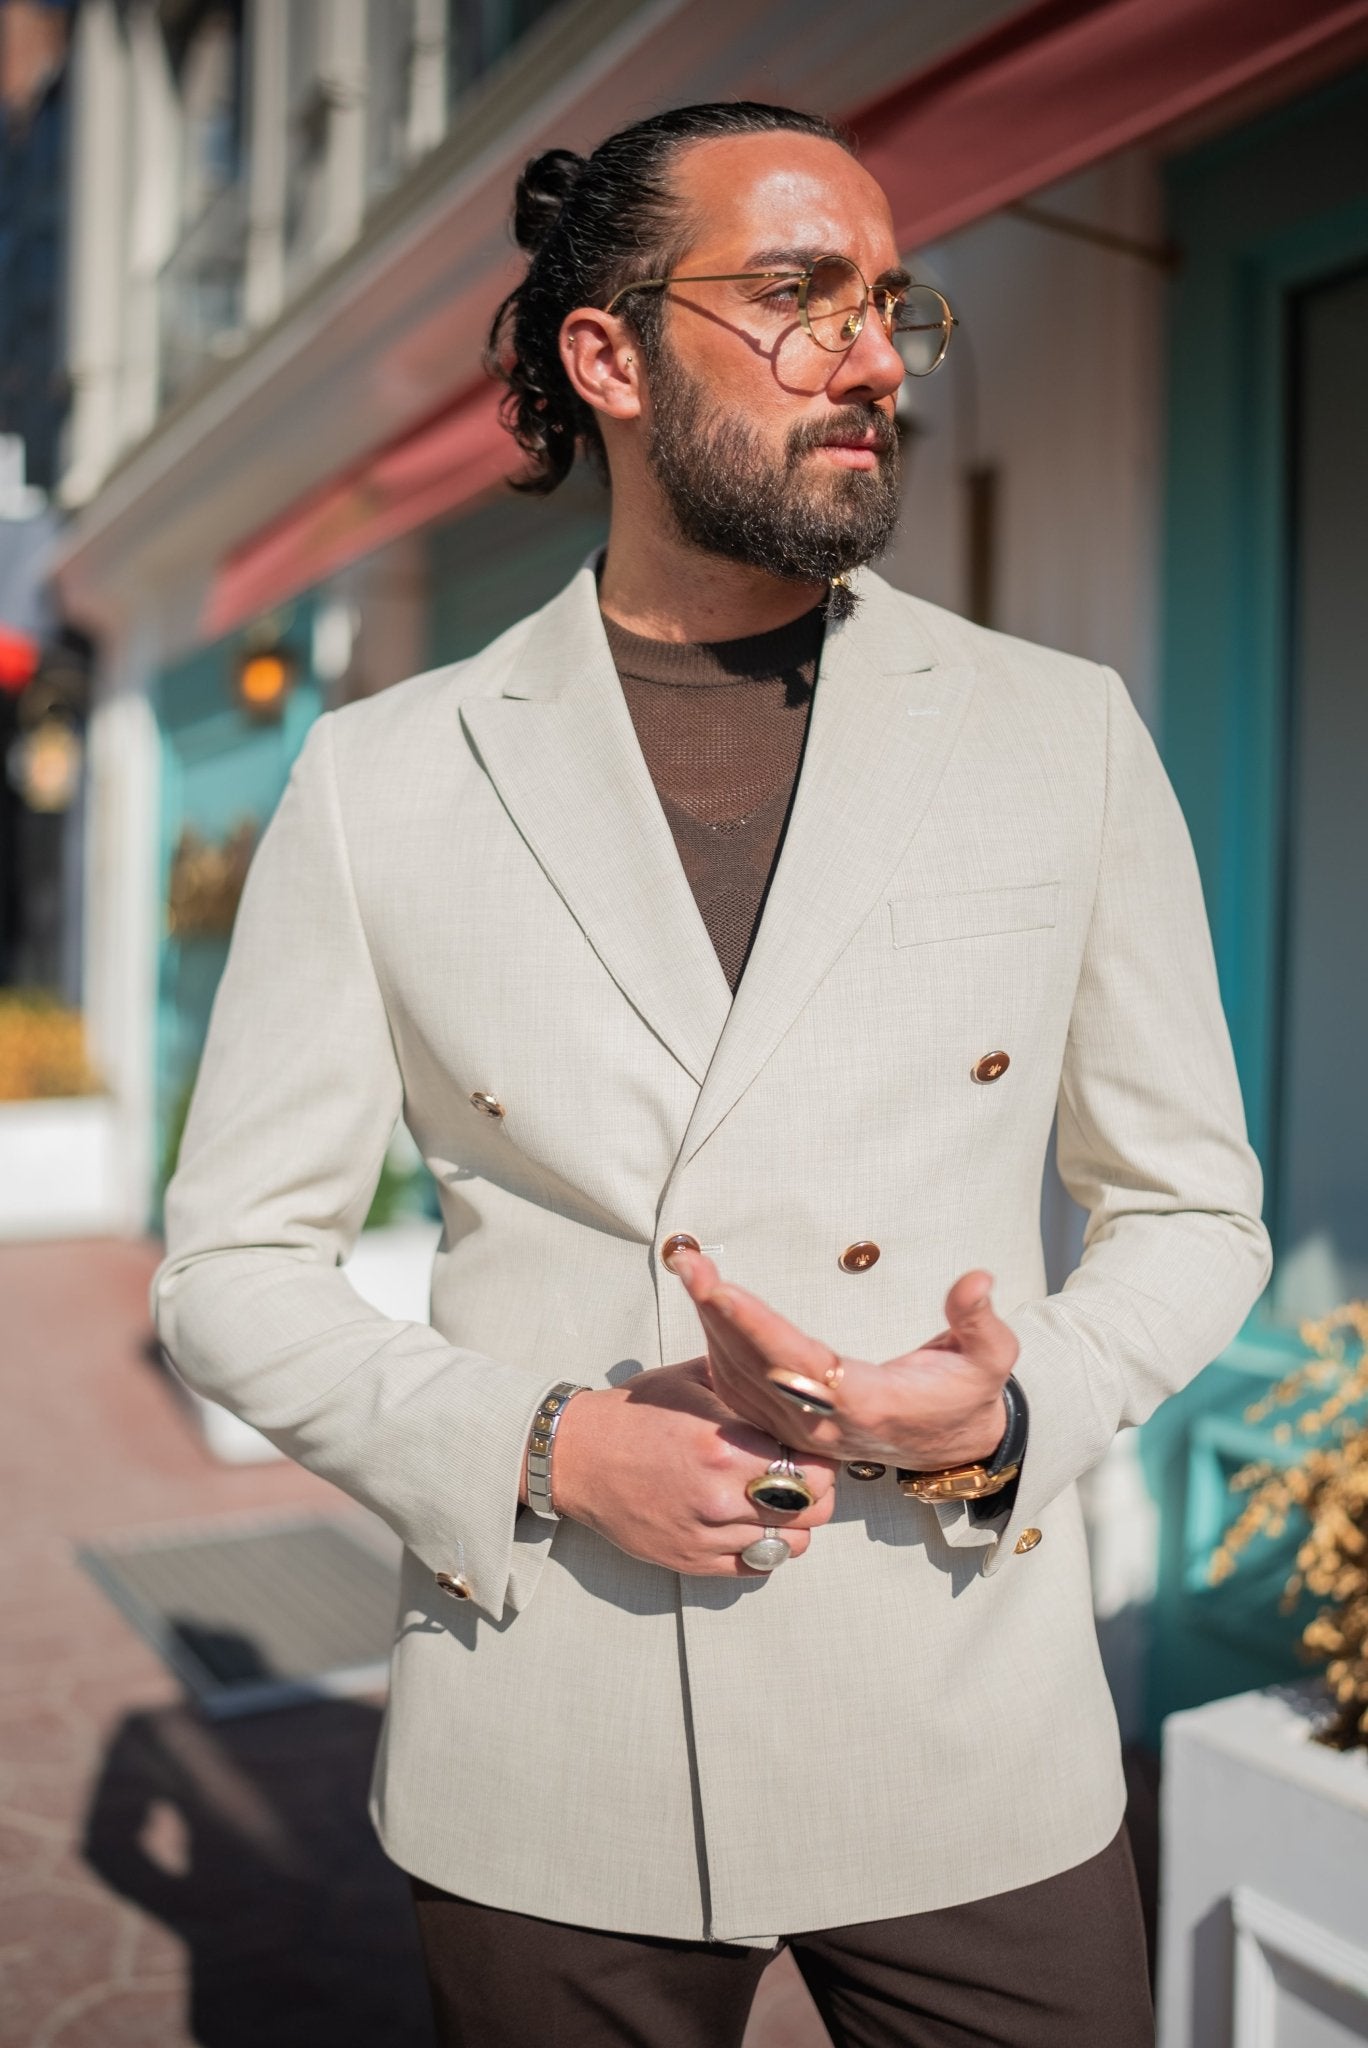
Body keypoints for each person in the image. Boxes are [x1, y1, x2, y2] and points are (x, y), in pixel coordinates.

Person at [155, 101, 1270, 2047]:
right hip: (555, 1736)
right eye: (794, 293)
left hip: (965, 1721)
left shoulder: (1061, 734)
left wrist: (1013, 1418)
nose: (867, 353)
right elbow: (229, 1266)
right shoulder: (385, 781)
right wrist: (539, 1445)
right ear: (609, 355)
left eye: (888, 306)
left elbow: (1194, 1207)